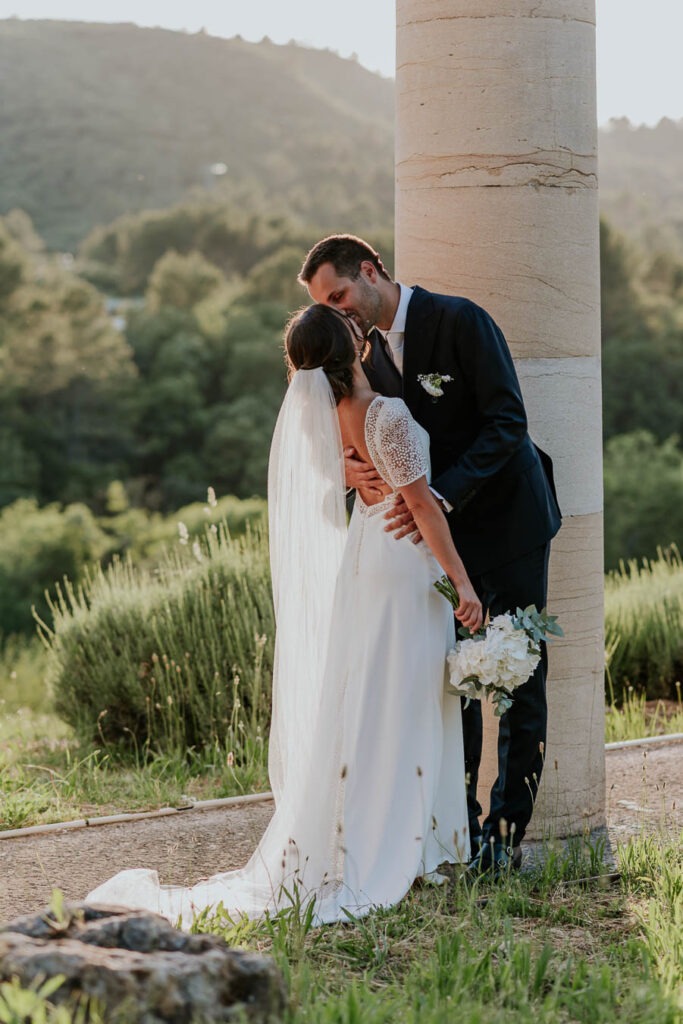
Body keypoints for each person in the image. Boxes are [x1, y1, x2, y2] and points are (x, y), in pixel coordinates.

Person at [86, 304, 482, 925]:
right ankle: (406, 846)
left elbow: (345, 479)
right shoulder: (387, 414)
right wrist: (464, 583)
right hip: (404, 562)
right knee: (403, 699)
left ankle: (401, 839)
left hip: (369, 555)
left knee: (376, 699)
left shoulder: (331, 415)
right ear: (351, 343)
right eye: (350, 324)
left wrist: (357, 474)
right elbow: (424, 508)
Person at [299, 234, 562, 877]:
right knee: (455, 689)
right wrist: (352, 471)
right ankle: (461, 835)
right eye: (326, 306)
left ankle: (504, 839)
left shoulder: (461, 320)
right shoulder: (363, 358)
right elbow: (356, 428)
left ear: (370, 271)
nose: (339, 312)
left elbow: (508, 422)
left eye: (339, 296)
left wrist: (440, 495)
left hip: (509, 526)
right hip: (436, 551)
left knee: (519, 681)